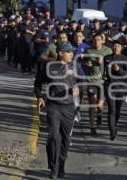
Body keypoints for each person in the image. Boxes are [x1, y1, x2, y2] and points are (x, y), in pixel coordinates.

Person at [34, 41, 83, 179]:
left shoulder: (76, 66)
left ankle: (61, 164)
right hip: (53, 106)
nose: (72, 54)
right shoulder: (49, 66)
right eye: (69, 52)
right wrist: (40, 97)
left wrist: (78, 88)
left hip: (69, 107)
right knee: (54, 137)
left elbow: (82, 81)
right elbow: (38, 82)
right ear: (61, 53)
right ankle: (54, 168)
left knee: (66, 139)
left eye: (72, 51)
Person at [84, 33, 112, 135]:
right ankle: (92, 126)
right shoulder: (89, 50)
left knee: (100, 104)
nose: (96, 41)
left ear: (102, 40)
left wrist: (103, 62)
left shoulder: (108, 50)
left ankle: (99, 114)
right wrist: (87, 64)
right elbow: (84, 61)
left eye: (98, 40)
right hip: (91, 80)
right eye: (94, 40)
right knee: (92, 102)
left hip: (103, 81)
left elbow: (112, 63)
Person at [103, 40, 127, 141]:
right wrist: (103, 76)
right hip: (109, 86)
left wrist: (119, 70)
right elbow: (103, 71)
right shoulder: (107, 58)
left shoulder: (125, 59)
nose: (116, 47)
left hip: (121, 87)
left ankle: (115, 125)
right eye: (114, 46)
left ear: (121, 47)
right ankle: (112, 132)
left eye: (118, 46)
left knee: (117, 111)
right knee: (112, 109)